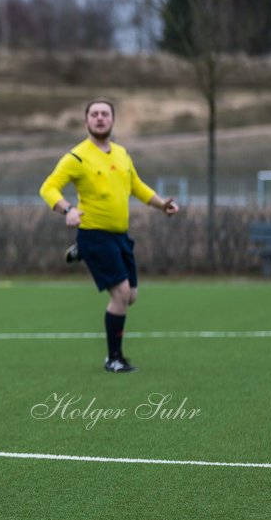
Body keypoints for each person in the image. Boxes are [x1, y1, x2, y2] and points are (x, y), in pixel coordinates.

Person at [39, 98, 178, 372]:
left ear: (113, 120)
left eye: (105, 114)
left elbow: (136, 185)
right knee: (121, 294)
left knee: (132, 296)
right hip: (94, 232)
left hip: (119, 236)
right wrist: (67, 209)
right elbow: (48, 188)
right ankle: (114, 358)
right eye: (94, 114)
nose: (100, 118)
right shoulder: (77, 157)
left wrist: (161, 204)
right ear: (86, 121)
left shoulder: (122, 154)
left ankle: (82, 252)